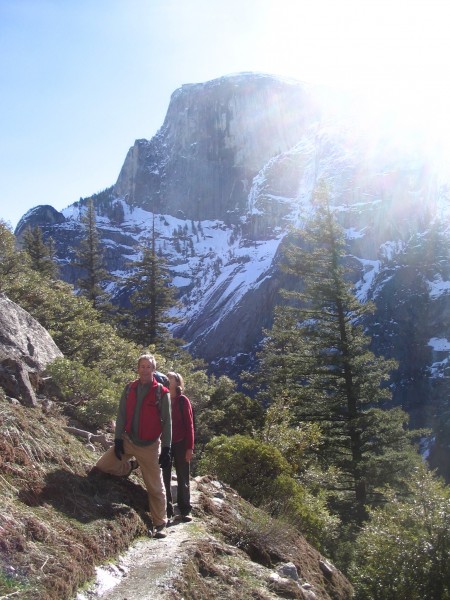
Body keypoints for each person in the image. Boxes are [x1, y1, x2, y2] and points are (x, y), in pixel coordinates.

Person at [93, 354, 172, 539]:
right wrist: (118, 439)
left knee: (155, 486)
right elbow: (121, 414)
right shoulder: (129, 388)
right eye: (142, 366)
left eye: (148, 367)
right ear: (138, 369)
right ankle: (130, 467)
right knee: (102, 466)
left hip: (150, 446)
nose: (145, 370)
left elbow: (167, 423)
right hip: (128, 440)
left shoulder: (162, 392)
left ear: (154, 370)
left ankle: (160, 523)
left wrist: (167, 448)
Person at [162, 371, 194, 522]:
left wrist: (190, 448)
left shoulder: (183, 400)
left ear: (177, 382)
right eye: (166, 378)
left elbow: (190, 425)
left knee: (183, 477)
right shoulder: (162, 398)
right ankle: (167, 513)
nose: (168, 380)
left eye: (171, 378)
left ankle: (185, 510)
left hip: (181, 443)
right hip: (165, 443)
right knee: (164, 477)